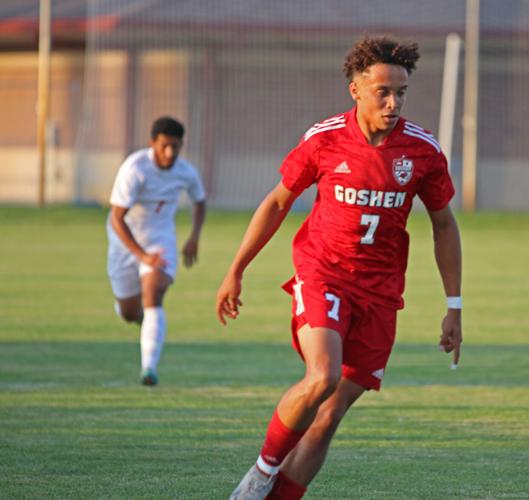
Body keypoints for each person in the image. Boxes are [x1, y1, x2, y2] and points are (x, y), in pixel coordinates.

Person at [216, 35, 463, 499]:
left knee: (328, 417)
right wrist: (236, 268)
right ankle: (259, 475)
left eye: (401, 93)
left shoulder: (422, 152)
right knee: (322, 375)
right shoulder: (325, 139)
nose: (393, 103)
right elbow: (276, 203)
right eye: (382, 92)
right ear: (356, 90)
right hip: (323, 273)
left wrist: (455, 305)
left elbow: (444, 226)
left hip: (381, 294)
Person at [107, 116, 206, 386]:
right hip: (124, 241)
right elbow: (117, 218)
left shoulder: (185, 172)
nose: (170, 153)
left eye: (175, 146)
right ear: (153, 143)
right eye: (165, 146)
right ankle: (145, 323)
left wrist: (194, 237)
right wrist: (141, 255)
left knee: (153, 292)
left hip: (160, 240)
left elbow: (199, 201)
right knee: (129, 312)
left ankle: (148, 369)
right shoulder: (135, 169)